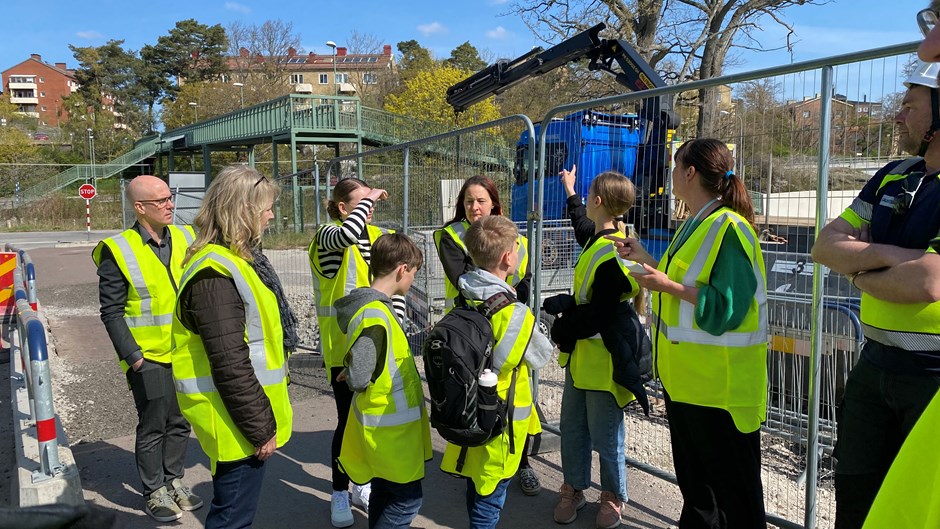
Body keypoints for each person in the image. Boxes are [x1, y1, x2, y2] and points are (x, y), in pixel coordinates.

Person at [811, 57, 940, 529]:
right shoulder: (894, 173)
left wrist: (860, 265)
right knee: (855, 499)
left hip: (933, 380)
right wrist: (893, 256)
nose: (898, 115)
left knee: (913, 508)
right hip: (874, 365)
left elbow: (929, 282)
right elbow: (826, 246)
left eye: (910, 105)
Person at [613, 139, 768, 528]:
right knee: (700, 497)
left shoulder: (730, 228)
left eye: (675, 165)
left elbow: (723, 310)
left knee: (732, 503)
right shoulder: (700, 222)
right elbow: (681, 282)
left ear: (690, 173)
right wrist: (645, 257)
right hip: (691, 387)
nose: (671, 173)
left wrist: (664, 285)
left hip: (720, 393)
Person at [172, 165, 295, 529]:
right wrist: (259, 428)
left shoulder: (232, 261)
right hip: (236, 424)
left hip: (237, 418)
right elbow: (229, 361)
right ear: (242, 210)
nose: (272, 215)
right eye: (266, 207)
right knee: (232, 519)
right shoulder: (215, 272)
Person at [93, 175, 202, 522]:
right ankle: (154, 490)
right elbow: (110, 311)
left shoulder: (186, 237)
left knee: (181, 421)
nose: (170, 204)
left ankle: (175, 481)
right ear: (140, 208)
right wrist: (134, 357)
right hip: (149, 357)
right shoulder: (118, 249)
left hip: (185, 351)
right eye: (162, 201)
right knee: (154, 424)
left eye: (171, 198)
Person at [546, 167, 648, 529]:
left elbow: (601, 312)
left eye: (588, 195)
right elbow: (581, 224)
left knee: (606, 436)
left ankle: (613, 495)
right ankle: (574, 487)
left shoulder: (613, 253)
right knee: (573, 427)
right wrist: (570, 189)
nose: (584, 202)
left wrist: (563, 325)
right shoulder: (602, 237)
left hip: (604, 361)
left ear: (600, 201)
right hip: (581, 359)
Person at [438, 215, 555, 529]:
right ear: (507, 258)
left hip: (465, 405)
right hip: (498, 416)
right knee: (490, 500)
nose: (518, 252)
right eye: (517, 247)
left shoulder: (464, 292)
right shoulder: (513, 311)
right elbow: (540, 355)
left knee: (474, 484)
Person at [434, 175, 541, 496]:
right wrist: (511, 291)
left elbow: (527, 278)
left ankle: (521, 464)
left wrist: (514, 294)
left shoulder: (513, 237)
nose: (474, 206)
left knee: (516, 399)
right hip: (470, 332)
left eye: (481, 200)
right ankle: (471, 461)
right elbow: (465, 279)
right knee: (474, 397)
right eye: (468, 201)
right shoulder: (451, 235)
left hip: (509, 323)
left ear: (494, 202)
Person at [308, 177, 400, 527]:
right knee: (348, 423)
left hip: (379, 347)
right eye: (362, 201)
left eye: (372, 200)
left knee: (371, 421)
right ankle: (339, 492)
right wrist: (371, 195)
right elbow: (347, 235)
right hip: (342, 351)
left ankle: (362, 483)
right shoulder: (327, 235)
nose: (371, 205)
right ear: (343, 208)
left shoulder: (377, 237)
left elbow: (397, 285)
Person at [334, 233, 432, 529]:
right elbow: (363, 374)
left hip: (383, 432)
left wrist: (352, 369)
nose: (412, 280)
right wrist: (353, 372)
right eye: (414, 273)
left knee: (383, 494)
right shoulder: (376, 315)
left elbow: (364, 364)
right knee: (406, 502)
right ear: (403, 269)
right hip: (390, 433)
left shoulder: (370, 309)